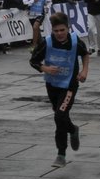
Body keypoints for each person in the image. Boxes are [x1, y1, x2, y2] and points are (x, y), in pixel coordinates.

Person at [31, 12, 91, 167]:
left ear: (68, 28)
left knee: (59, 116)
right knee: (61, 116)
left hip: (69, 85)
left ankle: (61, 154)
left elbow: (85, 54)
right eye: (56, 31)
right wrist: (45, 68)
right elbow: (33, 61)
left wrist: (84, 71)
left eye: (62, 30)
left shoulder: (75, 40)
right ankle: (73, 129)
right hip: (52, 85)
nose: (59, 34)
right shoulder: (47, 42)